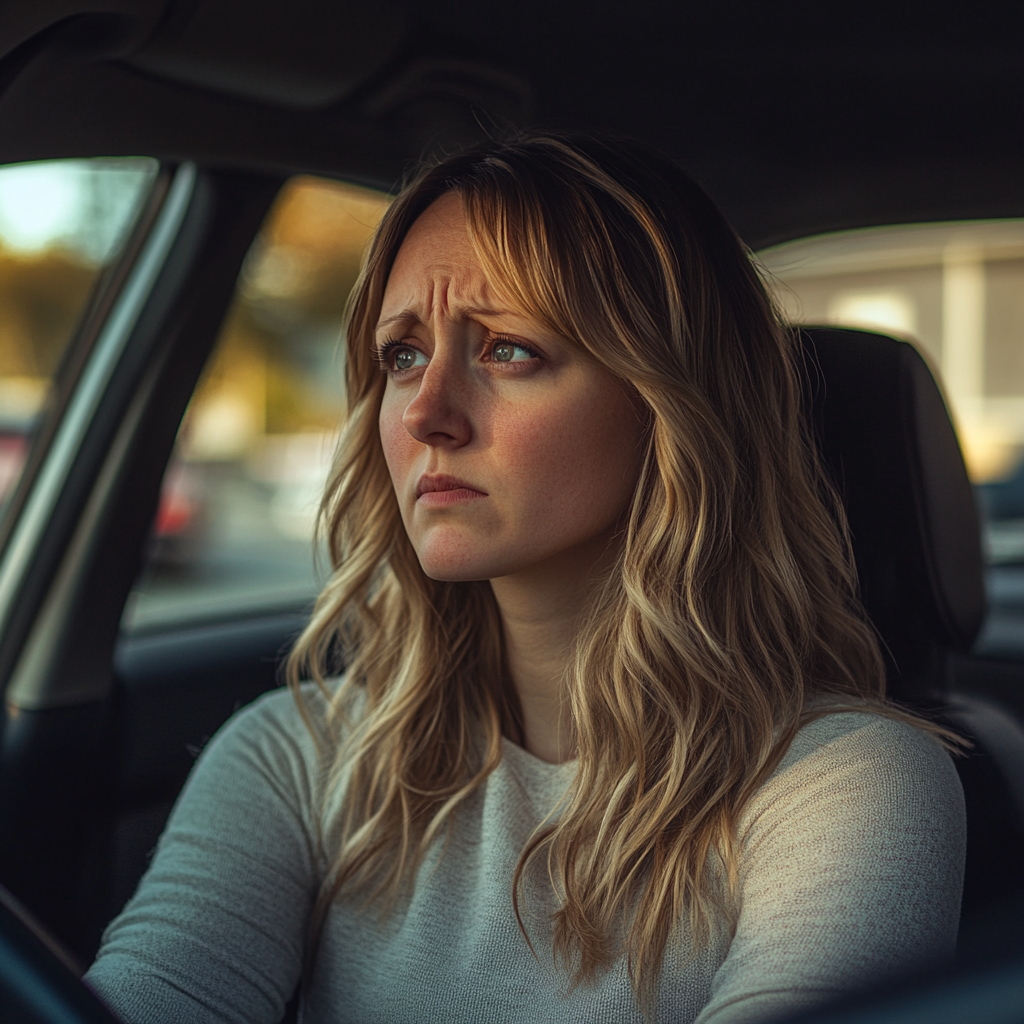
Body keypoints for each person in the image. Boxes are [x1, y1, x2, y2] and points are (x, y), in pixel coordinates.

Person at [85, 133, 965, 1024]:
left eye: (508, 350)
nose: (427, 412)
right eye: (403, 356)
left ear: (671, 407)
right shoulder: (299, 757)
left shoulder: (848, 785)